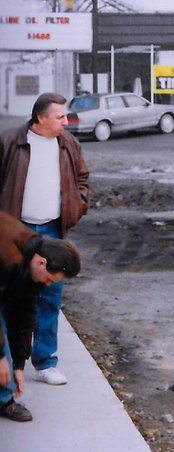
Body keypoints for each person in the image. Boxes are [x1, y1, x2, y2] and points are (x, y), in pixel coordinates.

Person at [0, 92, 89, 385]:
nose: (66, 121)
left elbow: (82, 178)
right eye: (60, 116)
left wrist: (78, 205)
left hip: (53, 229)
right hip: (16, 230)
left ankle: (45, 361)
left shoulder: (68, 143)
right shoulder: (10, 141)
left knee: (50, 294)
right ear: (41, 118)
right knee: (9, 295)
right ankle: (8, 358)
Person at [0, 209, 81, 421]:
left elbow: (23, 317)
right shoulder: (8, 255)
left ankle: (3, 399)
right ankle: (4, 398)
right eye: (48, 280)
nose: (47, 285)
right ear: (41, 263)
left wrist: (18, 365)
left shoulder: (31, 262)